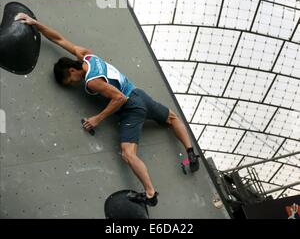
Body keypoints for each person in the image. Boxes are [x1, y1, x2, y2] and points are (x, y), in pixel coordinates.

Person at [15, 12, 200, 207]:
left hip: (131, 107)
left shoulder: (92, 81)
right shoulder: (87, 56)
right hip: (139, 93)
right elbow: (59, 39)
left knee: (128, 154)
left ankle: (150, 194)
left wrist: (97, 118)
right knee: (172, 118)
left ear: (72, 71)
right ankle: (190, 153)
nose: (72, 84)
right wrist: (37, 24)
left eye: (70, 81)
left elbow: (120, 98)